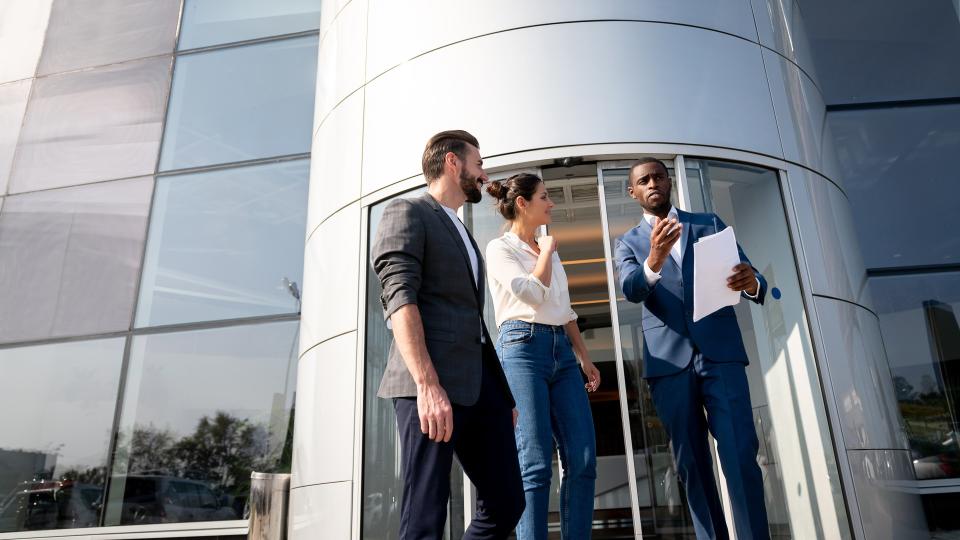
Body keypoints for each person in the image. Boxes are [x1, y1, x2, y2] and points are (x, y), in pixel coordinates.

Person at [370, 130, 525, 539]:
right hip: (430, 384)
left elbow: (472, 319)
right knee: (426, 512)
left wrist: (501, 395)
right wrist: (427, 384)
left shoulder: (463, 231)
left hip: (479, 388)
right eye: (479, 163)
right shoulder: (407, 212)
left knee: (508, 500)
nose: (483, 173)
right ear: (453, 163)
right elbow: (400, 300)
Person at [614, 158, 770, 540]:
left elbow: (754, 278)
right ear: (633, 192)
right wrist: (654, 260)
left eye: (658, 177)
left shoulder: (710, 223)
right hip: (670, 364)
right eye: (643, 181)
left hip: (721, 355)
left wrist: (751, 282)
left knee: (740, 455)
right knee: (693, 467)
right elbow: (631, 288)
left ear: (669, 182)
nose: (652, 184)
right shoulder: (628, 243)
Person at [484, 173, 600, 540]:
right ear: (523, 203)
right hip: (521, 347)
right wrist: (546, 251)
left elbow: (564, 311)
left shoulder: (550, 252)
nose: (551, 204)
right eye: (545, 197)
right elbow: (531, 295)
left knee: (582, 460)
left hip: (562, 354)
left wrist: (584, 357)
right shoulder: (500, 249)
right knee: (534, 464)